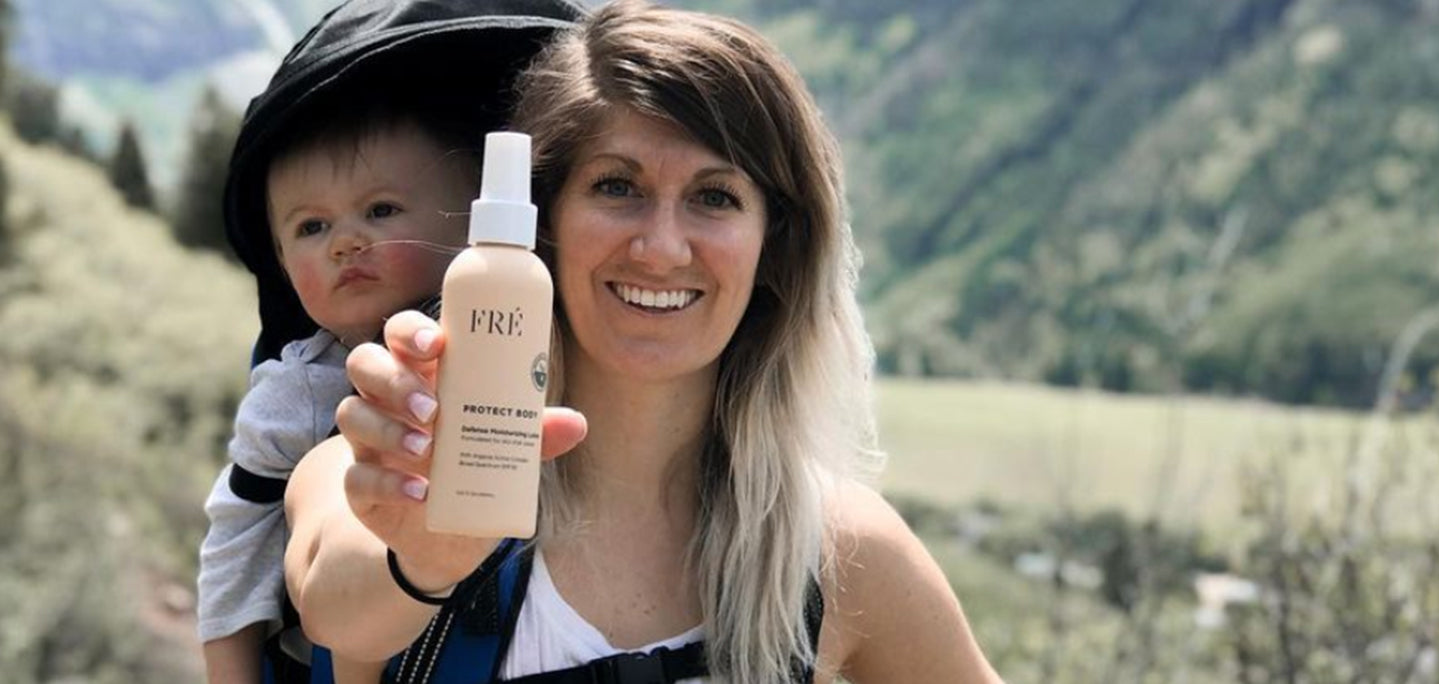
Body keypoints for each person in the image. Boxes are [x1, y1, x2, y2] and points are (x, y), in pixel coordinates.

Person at [283, 0, 1003, 681]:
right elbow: (334, 608)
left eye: (714, 197)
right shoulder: (408, 455)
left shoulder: (839, 554)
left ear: (773, 249)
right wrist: (422, 561)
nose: (661, 250)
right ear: (545, 221)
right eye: (616, 187)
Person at [200, 2, 584, 681]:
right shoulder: (299, 389)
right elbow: (235, 540)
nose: (345, 241)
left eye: (381, 211)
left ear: (472, 224)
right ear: (280, 264)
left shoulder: (535, 324)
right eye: (311, 228)